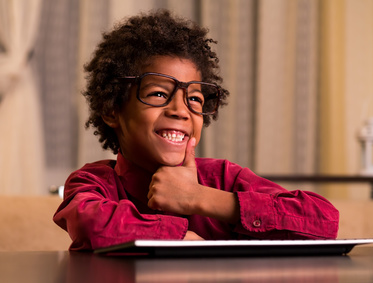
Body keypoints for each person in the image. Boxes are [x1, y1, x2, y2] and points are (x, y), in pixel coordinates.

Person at [53, 9, 339, 251]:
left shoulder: (224, 178)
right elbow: (89, 223)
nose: (180, 109)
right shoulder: (92, 183)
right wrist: (177, 237)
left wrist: (199, 197)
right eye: (158, 94)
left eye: (194, 98)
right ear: (112, 110)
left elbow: (323, 221)